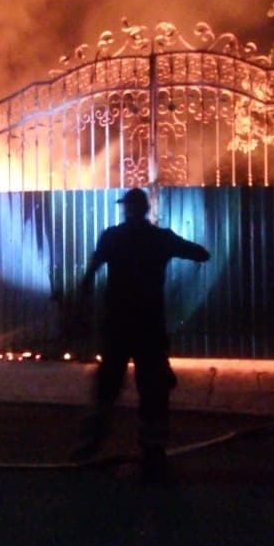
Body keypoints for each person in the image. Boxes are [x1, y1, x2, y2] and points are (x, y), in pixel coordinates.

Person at [72, 187, 210, 482]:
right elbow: (201, 254)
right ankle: (153, 449)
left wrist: (81, 304)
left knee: (108, 384)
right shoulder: (161, 238)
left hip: (118, 323)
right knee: (154, 387)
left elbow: (90, 274)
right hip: (149, 324)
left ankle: (93, 440)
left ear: (127, 208)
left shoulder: (112, 236)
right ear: (146, 209)